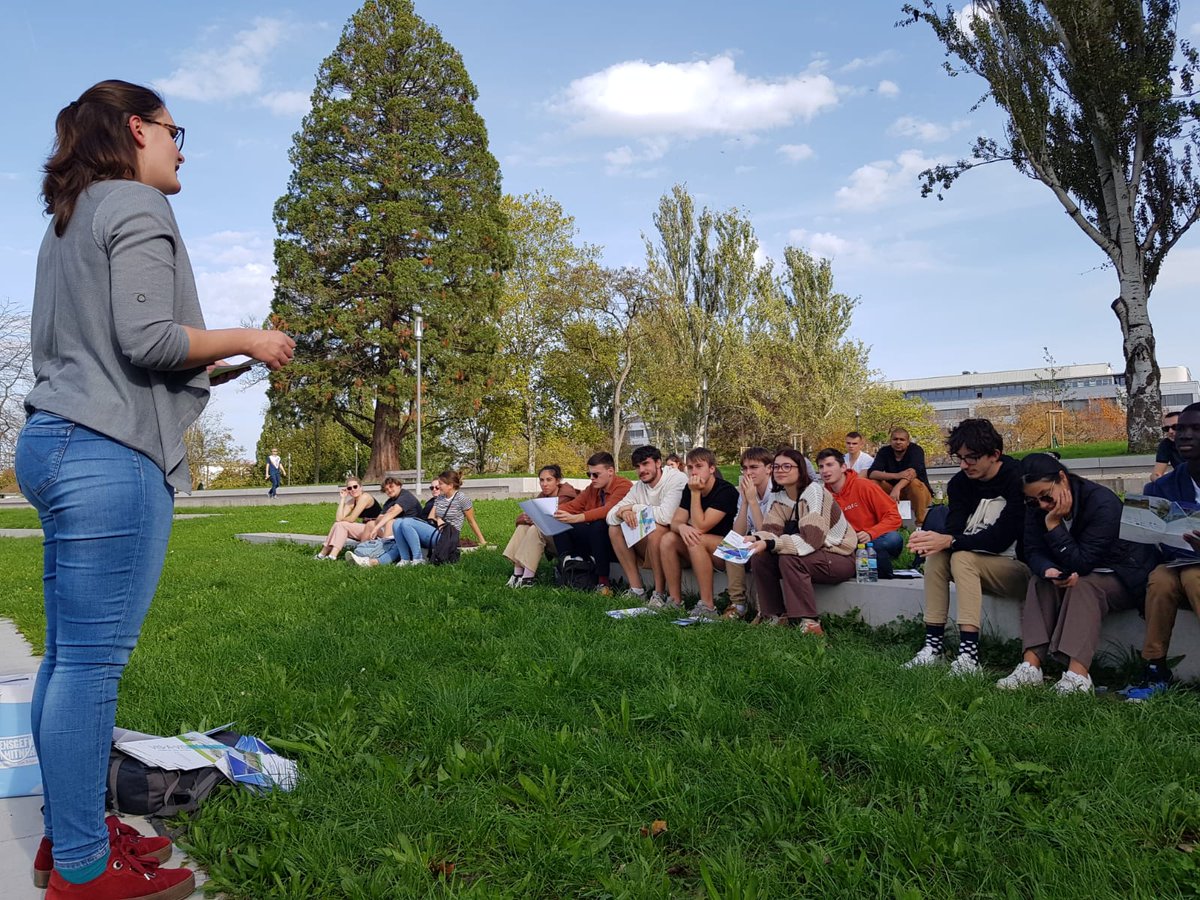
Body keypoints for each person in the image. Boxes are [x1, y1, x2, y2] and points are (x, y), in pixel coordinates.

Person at [15, 80, 294, 899]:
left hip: (54, 438)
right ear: (135, 128)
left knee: (67, 661)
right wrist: (253, 335)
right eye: (176, 131)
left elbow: (108, 343)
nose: (181, 149)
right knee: (92, 667)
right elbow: (145, 337)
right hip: (108, 452)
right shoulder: (135, 203)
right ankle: (78, 869)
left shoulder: (67, 220)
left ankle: (67, 838)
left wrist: (208, 360)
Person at [996, 454, 1159, 694]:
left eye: (1046, 496)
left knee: (1083, 585)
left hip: (1124, 574)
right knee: (1040, 581)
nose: (1042, 505)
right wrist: (1048, 570)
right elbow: (1032, 550)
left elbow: (1083, 562)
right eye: (1032, 501)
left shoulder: (1102, 502)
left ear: (1062, 478)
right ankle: (1031, 666)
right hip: (1079, 570)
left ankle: (1078, 674)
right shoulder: (1037, 508)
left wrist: (1053, 525)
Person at [906, 419, 1029, 675]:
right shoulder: (960, 483)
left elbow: (1002, 537)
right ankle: (933, 645)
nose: (964, 465)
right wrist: (931, 540)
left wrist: (950, 540)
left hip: (1019, 566)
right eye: (959, 458)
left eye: (971, 458)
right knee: (938, 556)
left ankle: (968, 655)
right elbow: (954, 530)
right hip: (979, 564)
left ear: (995, 455)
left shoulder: (1018, 478)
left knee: (961, 556)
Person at [747, 447, 857, 634]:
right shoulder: (779, 496)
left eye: (787, 466)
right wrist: (755, 538)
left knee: (789, 558)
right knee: (760, 557)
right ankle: (773, 615)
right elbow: (771, 530)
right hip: (812, 554)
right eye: (777, 466)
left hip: (838, 555)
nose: (780, 470)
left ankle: (809, 622)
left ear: (801, 470)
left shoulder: (814, 492)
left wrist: (772, 543)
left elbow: (812, 540)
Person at [1131, 402, 1200, 694]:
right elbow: (1145, 543)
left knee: (1192, 576)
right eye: (1179, 428)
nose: (1184, 435)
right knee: (1161, 577)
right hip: (1177, 562)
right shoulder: (1161, 488)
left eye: (1196, 429)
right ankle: (1155, 669)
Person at [660, 447, 740, 617]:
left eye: (699, 466)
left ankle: (707, 606)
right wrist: (681, 527)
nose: (693, 472)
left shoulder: (725, 491)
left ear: (711, 469)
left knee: (696, 538)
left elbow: (700, 526)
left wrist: (695, 493)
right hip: (703, 549)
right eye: (690, 467)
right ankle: (674, 600)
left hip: (729, 551)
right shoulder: (689, 489)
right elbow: (675, 522)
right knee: (668, 538)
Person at [606, 445, 687, 604]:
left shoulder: (677, 479)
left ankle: (659, 593)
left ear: (658, 463)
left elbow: (666, 517)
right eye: (637, 466)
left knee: (656, 529)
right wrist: (623, 513)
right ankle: (637, 589)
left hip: (678, 546)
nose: (641, 470)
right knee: (615, 529)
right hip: (651, 546)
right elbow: (610, 515)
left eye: (645, 464)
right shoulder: (639, 487)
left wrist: (633, 508)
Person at [552, 452, 633, 593]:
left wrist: (577, 518)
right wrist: (549, 512)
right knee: (561, 524)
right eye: (588, 474)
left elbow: (608, 510)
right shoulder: (592, 489)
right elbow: (573, 506)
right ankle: (569, 570)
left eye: (596, 474)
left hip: (618, 540)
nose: (592, 478)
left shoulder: (623, 486)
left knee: (598, 525)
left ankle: (603, 582)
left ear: (610, 471)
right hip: (596, 539)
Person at [817, 448, 903, 579]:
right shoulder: (822, 495)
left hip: (873, 539)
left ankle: (867, 564)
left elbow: (894, 517)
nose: (825, 471)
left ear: (843, 467)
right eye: (821, 467)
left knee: (893, 539)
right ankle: (862, 564)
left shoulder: (864, 486)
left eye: (830, 465)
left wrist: (871, 533)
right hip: (846, 545)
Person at [502, 464, 578, 586]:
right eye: (541, 480)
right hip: (549, 536)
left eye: (549, 480)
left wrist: (537, 519)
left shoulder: (567, 496)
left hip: (565, 541)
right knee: (523, 527)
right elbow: (520, 519)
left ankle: (527, 578)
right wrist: (527, 518)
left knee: (535, 528)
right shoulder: (543, 496)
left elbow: (555, 518)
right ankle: (517, 573)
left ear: (557, 481)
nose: (544, 484)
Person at [392, 469, 486, 565]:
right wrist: (439, 519)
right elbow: (431, 517)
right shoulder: (440, 498)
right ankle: (405, 559)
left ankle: (418, 558)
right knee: (397, 523)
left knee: (407, 522)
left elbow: (471, 521)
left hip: (449, 536)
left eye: (440, 484)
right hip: (436, 530)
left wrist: (482, 541)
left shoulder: (462, 499)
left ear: (450, 486)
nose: (438, 486)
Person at [725, 446, 776, 619]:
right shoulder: (746, 491)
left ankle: (764, 610)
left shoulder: (776, 490)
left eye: (754, 467)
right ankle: (738, 604)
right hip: (755, 538)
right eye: (745, 468)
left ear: (769, 469)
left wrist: (753, 501)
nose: (748, 473)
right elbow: (737, 532)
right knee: (732, 544)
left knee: (758, 550)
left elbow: (767, 533)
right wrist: (746, 502)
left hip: (776, 541)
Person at [346, 477, 423, 567]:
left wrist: (378, 526)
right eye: (386, 489)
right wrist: (386, 514)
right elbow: (378, 519)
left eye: (391, 486)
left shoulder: (405, 496)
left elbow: (393, 513)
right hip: (396, 532)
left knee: (391, 522)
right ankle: (361, 551)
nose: (389, 490)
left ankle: (377, 554)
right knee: (370, 524)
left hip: (412, 531)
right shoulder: (389, 502)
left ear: (399, 485)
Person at [868, 427, 933, 526]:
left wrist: (897, 488)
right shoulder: (884, 451)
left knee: (914, 483)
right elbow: (872, 473)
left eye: (902, 439)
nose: (898, 442)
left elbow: (912, 473)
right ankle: (876, 521)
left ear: (908, 442)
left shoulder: (916, 450)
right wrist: (896, 476)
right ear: (890, 441)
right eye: (895, 439)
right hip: (893, 493)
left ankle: (920, 523)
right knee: (872, 483)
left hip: (919, 494)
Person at [314, 478, 383, 560]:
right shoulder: (352, 502)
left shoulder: (365, 497)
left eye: (355, 487)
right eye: (349, 488)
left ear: (361, 487)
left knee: (342, 524)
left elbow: (351, 519)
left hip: (378, 530)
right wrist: (343, 498)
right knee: (338, 524)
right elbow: (338, 518)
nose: (353, 490)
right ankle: (330, 555)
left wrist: (343, 520)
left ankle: (325, 553)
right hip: (366, 530)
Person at [1151, 410, 1182, 481]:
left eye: (1175, 427)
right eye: (1166, 429)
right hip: (1185, 483)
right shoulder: (1166, 445)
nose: (1170, 431)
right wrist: (1159, 479)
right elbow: (1156, 474)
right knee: (1150, 488)